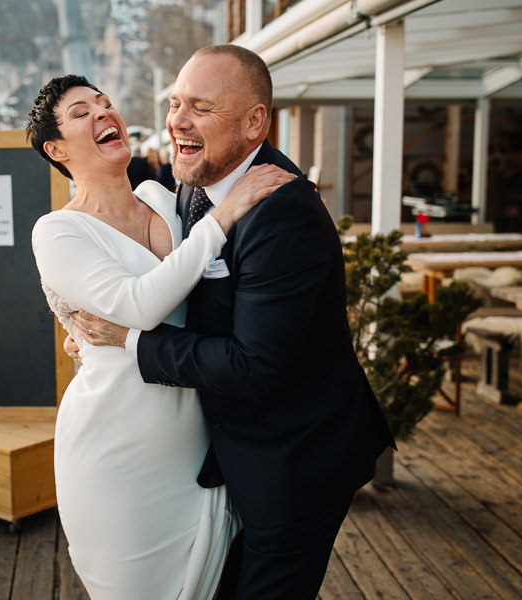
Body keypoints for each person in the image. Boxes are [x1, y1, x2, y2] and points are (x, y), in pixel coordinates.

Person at [70, 45, 396, 599]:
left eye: (200, 107)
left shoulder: (282, 212)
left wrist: (130, 341)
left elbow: (257, 367)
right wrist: (97, 332)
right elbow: (179, 284)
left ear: (253, 122)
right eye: (175, 103)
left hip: (297, 463)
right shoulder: (200, 179)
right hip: (236, 453)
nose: (177, 121)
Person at [27, 74, 293, 599]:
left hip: (196, 439)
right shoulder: (58, 231)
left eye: (105, 104)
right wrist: (226, 213)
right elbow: (140, 305)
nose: (104, 114)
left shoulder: (164, 196)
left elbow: (203, 296)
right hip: (114, 447)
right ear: (56, 148)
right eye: (82, 113)